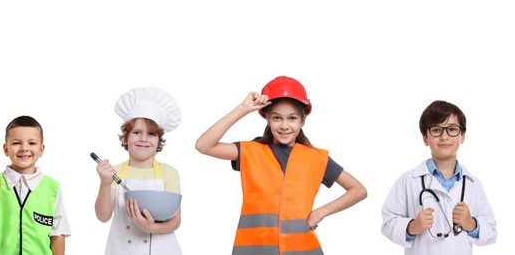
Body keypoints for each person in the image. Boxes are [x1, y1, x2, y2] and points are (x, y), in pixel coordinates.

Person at [193, 76, 368, 254]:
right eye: (277, 118)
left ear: (302, 120)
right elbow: (204, 145)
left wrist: (321, 212)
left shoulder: (316, 158)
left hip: (303, 249)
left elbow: (358, 190)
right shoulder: (250, 151)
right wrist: (243, 109)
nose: (284, 126)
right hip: (255, 250)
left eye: (292, 118)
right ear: (267, 118)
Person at [378, 100, 497, 254]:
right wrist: (412, 227)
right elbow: (388, 223)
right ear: (425, 138)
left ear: (462, 136)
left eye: (452, 129)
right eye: (436, 130)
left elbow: (491, 231)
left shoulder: (473, 184)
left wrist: (471, 224)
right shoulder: (408, 181)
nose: (444, 136)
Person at [94, 88, 183, 255]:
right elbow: (103, 216)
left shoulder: (168, 173)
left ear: (158, 141)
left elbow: (176, 221)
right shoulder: (115, 171)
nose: (143, 139)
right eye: (136, 132)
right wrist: (105, 183)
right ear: (126, 137)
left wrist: (151, 227)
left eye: (151, 134)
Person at [0, 116, 68, 255]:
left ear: (41, 149)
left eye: (32, 143)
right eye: (16, 143)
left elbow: (58, 234)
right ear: (6, 149)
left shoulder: (52, 188)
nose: (24, 148)